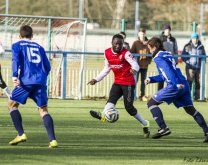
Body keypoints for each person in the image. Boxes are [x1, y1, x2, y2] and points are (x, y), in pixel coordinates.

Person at [144, 37, 208, 142]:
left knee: (151, 103)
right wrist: (151, 79)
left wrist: (176, 84)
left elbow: (168, 72)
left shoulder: (158, 58)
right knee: (190, 109)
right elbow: (164, 75)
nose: (149, 51)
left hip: (175, 85)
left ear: (154, 47)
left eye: (150, 48)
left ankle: (163, 128)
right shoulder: (167, 54)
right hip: (184, 83)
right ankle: (207, 131)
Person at [88, 34, 150, 138]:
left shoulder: (125, 53)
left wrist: (134, 70)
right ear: (111, 43)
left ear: (122, 44)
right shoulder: (107, 53)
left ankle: (145, 124)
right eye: (116, 43)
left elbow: (136, 65)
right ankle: (105, 116)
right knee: (110, 103)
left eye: (120, 44)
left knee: (129, 108)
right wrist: (96, 79)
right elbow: (106, 69)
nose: (117, 46)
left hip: (128, 84)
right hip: (117, 83)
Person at [8, 25, 58, 148]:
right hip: (40, 82)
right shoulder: (40, 47)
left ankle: (21, 134)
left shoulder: (17, 45)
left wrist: (15, 76)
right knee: (43, 110)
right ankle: (53, 141)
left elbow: (15, 60)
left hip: (25, 81)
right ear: (32, 36)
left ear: (19, 36)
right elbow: (47, 67)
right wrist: (41, 78)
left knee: (11, 105)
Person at [182, 32, 206, 100]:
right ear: (191, 39)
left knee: (197, 82)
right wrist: (188, 62)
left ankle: (197, 97)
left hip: (198, 68)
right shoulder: (187, 46)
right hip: (190, 68)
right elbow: (183, 56)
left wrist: (202, 63)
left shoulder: (201, 46)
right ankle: (187, 97)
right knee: (189, 82)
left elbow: (203, 56)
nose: (195, 39)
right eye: (194, 38)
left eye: (196, 38)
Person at [130, 28, 151, 101]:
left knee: (144, 82)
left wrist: (148, 61)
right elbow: (131, 53)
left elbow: (151, 52)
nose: (142, 35)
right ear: (138, 34)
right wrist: (133, 63)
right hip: (137, 66)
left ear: (145, 34)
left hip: (145, 66)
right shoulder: (135, 43)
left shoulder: (149, 43)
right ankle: (133, 95)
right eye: (141, 33)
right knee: (134, 81)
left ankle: (142, 95)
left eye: (143, 33)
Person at [158, 24, 178, 91]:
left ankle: (169, 91)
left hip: (171, 60)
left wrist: (176, 60)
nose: (168, 31)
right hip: (162, 60)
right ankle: (159, 92)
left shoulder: (173, 39)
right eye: (166, 30)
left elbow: (175, 50)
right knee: (162, 76)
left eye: (169, 30)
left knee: (170, 76)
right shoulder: (160, 39)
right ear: (164, 30)